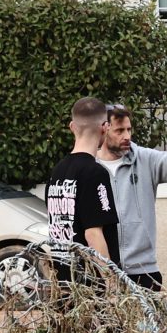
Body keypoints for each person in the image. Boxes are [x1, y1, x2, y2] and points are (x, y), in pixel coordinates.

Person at [97, 103, 167, 290]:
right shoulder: (89, 167)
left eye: (129, 129)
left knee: (146, 320)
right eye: (119, 131)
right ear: (104, 129)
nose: (127, 136)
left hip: (143, 270)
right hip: (102, 270)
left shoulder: (144, 159)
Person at [43, 97, 120, 275]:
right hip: (90, 286)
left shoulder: (57, 172)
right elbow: (93, 234)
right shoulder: (95, 173)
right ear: (105, 127)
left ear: (72, 127)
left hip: (63, 282)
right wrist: (112, 284)